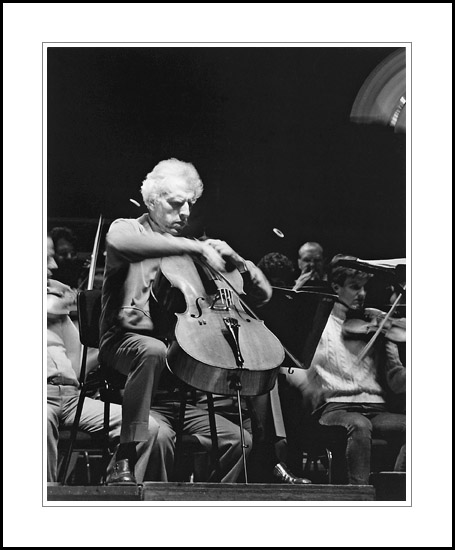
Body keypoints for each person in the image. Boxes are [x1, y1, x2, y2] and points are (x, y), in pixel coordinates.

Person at [99, 158, 279, 484]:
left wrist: (241, 263)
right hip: (125, 346)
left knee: (240, 442)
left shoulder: (193, 252)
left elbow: (263, 295)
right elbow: (123, 245)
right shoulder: (128, 229)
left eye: (190, 206)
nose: (184, 214)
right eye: (175, 203)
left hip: (177, 386)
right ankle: (124, 461)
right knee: (152, 357)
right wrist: (189, 246)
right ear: (152, 200)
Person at [47, 236, 166, 484]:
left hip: (70, 396)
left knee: (150, 429)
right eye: (46, 258)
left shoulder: (56, 311)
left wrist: (108, 341)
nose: (54, 266)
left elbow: (77, 363)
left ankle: (117, 491)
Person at [285, 254, 406, 485]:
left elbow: (396, 380)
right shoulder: (319, 325)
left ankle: (397, 488)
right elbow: (295, 365)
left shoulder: (376, 326)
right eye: (354, 287)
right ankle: (358, 496)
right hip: (335, 408)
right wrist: (307, 384)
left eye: (364, 288)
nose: (362, 294)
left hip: (374, 407)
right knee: (359, 425)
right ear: (336, 287)